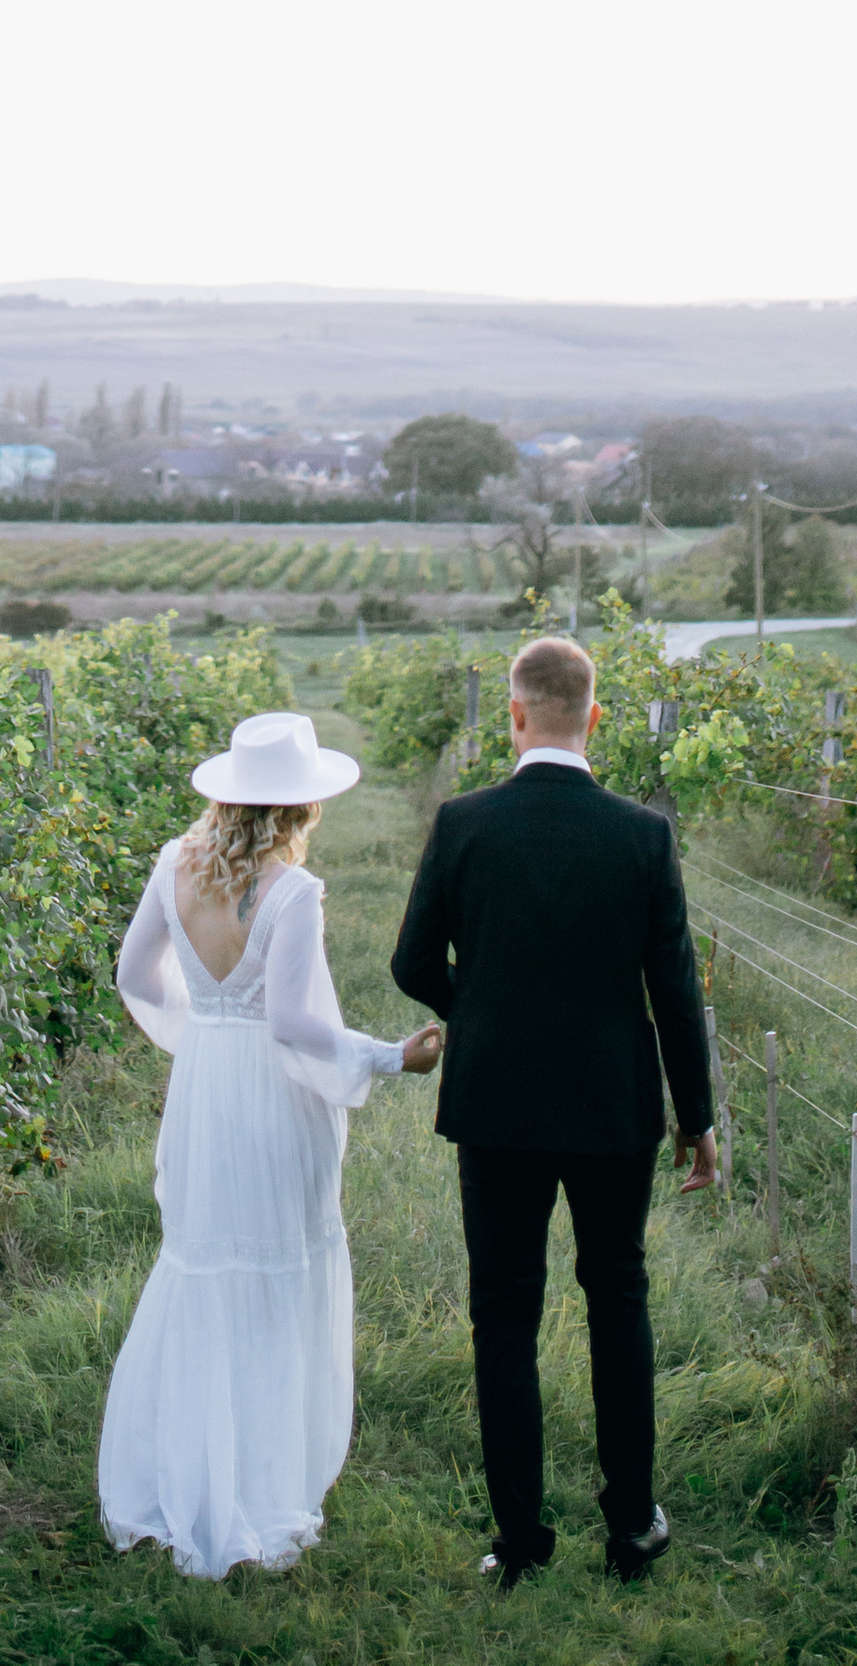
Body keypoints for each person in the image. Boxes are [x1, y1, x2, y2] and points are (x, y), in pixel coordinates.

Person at [390, 632, 716, 1594]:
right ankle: (631, 1527)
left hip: (496, 1105)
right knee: (618, 1297)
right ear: (596, 717)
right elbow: (676, 989)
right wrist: (697, 1116)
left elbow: (413, 965)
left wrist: (481, 1012)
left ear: (516, 714)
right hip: (615, 1103)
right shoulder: (642, 835)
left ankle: (522, 1542)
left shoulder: (463, 824)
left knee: (504, 1317)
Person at [98, 706, 444, 1578]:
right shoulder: (291, 893)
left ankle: (188, 1476)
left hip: (205, 1092)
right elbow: (292, 1023)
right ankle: (259, 1484)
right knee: (279, 1274)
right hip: (271, 1101)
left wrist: (201, 1037)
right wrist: (387, 1056)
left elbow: (133, 975)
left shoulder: (173, 866)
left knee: (204, 1264)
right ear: (300, 809)